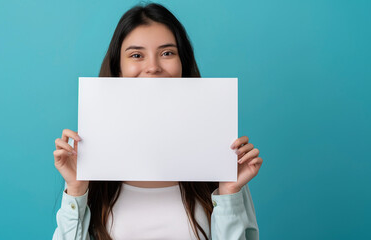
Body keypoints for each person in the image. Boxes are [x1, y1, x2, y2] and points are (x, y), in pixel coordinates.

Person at [52, 3, 263, 240]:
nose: (153, 67)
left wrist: (229, 192)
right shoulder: (89, 167)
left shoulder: (221, 162)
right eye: (136, 55)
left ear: (183, 64)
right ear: (118, 69)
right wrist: (77, 189)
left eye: (167, 53)